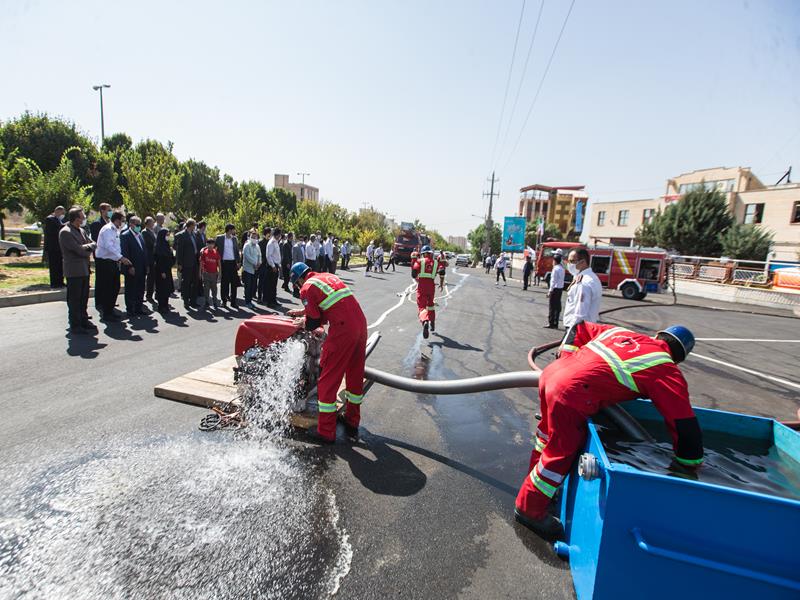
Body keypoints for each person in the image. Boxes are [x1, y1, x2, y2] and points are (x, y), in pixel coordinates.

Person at [515, 323, 703, 540]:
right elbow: (683, 423)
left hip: (552, 375)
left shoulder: (622, 333)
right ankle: (529, 508)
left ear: (658, 335)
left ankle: (535, 485)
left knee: (546, 438)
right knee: (561, 452)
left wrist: (566, 358)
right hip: (571, 393)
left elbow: (579, 327)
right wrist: (689, 463)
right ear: (679, 358)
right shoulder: (666, 369)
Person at [287, 262, 367, 444]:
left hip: (343, 331)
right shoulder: (326, 277)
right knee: (354, 376)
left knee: (327, 380)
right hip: (360, 325)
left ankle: (326, 431)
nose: (298, 287)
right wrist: (304, 312)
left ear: (298, 280)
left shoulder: (306, 288)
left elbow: (314, 323)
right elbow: (330, 305)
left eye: (296, 284)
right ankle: (352, 421)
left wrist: (304, 321)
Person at [58, 207, 97, 334]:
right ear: (76, 218)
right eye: (82, 216)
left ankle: (83, 319)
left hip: (84, 269)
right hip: (74, 271)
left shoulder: (81, 230)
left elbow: (93, 243)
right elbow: (79, 250)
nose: (84, 218)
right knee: (74, 299)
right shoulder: (66, 232)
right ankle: (75, 324)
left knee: (83, 297)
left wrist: (88, 247)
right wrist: (89, 248)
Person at [95, 211, 131, 321]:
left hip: (113, 262)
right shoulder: (107, 229)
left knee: (115, 287)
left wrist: (119, 257)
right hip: (105, 262)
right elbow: (108, 246)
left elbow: (116, 246)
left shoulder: (115, 230)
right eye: (122, 220)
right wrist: (121, 257)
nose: (123, 223)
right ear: (117, 220)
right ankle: (107, 313)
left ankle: (110, 310)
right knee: (108, 288)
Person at [562, 248, 602, 329]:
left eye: (572, 261)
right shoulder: (590, 277)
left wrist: (571, 332)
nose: (569, 264)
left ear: (583, 262)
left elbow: (580, 314)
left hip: (577, 328)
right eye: (568, 261)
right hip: (584, 327)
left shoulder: (584, 283)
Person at [120, 215, 150, 317]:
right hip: (132, 267)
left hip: (142, 267)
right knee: (131, 289)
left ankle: (138, 308)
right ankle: (130, 309)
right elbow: (125, 253)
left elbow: (144, 251)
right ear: (131, 224)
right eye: (137, 225)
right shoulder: (125, 235)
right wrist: (129, 266)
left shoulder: (140, 235)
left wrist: (146, 265)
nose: (138, 227)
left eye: (139, 225)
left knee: (140, 288)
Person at [411, 245, 440, 339]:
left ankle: (425, 321)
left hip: (422, 286)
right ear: (430, 253)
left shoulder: (420, 261)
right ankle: (432, 322)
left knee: (422, 306)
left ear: (423, 253)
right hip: (431, 287)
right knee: (431, 305)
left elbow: (413, 274)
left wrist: (414, 263)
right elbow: (442, 271)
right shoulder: (435, 262)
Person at [174, 218, 200, 309]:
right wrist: (179, 263)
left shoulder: (194, 234)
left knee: (195, 282)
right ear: (191, 225)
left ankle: (193, 301)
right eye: (194, 225)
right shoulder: (182, 235)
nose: (195, 227)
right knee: (186, 282)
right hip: (186, 262)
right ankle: (186, 301)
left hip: (195, 261)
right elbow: (179, 250)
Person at [216, 224, 240, 309]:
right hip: (224, 263)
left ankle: (233, 301)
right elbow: (214, 247)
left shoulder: (234, 239)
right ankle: (224, 301)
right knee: (224, 283)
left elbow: (237, 251)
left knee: (234, 283)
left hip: (233, 263)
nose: (234, 231)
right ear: (229, 230)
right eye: (233, 229)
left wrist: (238, 262)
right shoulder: (220, 238)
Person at [43, 205, 66, 288]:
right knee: (54, 266)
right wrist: (64, 226)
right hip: (53, 247)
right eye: (62, 213)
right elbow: (55, 231)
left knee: (59, 265)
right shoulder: (50, 219)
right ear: (57, 211)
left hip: (59, 247)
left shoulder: (58, 220)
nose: (62, 215)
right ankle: (54, 283)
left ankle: (60, 282)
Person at [153, 228, 174, 313]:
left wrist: (172, 253)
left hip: (167, 269)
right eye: (167, 235)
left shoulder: (167, 245)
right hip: (161, 271)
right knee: (161, 288)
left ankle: (166, 305)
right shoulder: (158, 246)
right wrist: (162, 271)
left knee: (167, 288)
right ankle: (161, 306)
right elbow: (158, 260)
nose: (168, 236)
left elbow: (171, 260)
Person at [199, 237, 221, 310]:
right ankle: (207, 302)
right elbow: (201, 263)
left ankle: (215, 302)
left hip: (214, 274)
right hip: (206, 273)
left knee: (214, 289)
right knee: (206, 289)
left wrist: (220, 272)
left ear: (214, 245)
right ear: (206, 244)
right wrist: (200, 273)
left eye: (212, 244)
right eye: (208, 244)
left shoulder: (216, 252)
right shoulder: (204, 252)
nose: (210, 245)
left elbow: (219, 263)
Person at [545, 253, 566, 328]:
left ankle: (551, 323)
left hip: (555, 289)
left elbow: (553, 281)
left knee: (552, 307)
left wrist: (550, 291)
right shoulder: (562, 268)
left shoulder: (555, 269)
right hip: (560, 289)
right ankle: (556, 322)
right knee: (557, 307)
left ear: (555, 261)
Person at [242, 230, 261, 309]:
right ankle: (247, 302)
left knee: (253, 286)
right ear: (250, 237)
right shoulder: (247, 245)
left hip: (255, 269)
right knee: (248, 286)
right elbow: (247, 256)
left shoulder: (257, 246)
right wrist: (255, 263)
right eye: (252, 237)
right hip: (248, 269)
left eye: (255, 237)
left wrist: (259, 263)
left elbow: (259, 255)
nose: (254, 239)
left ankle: (250, 301)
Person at [265, 227, 282, 308]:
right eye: (279, 234)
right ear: (277, 234)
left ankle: (274, 300)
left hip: (276, 265)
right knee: (270, 285)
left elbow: (277, 255)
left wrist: (279, 265)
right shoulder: (271, 242)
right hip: (272, 266)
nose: (280, 236)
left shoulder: (276, 242)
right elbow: (269, 256)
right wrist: (273, 266)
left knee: (274, 285)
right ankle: (269, 302)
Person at [142, 216, 157, 303]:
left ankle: (151, 294)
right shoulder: (145, 232)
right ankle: (148, 295)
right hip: (149, 257)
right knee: (150, 277)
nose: (153, 223)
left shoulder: (152, 231)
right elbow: (150, 244)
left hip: (154, 257)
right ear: (148, 223)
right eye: (152, 222)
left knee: (153, 277)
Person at [257, 226, 272, 303]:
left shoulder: (270, 242)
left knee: (267, 282)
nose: (270, 235)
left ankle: (265, 297)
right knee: (261, 282)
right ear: (266, 233)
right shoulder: (260, 243)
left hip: (269, 264)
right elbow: (259, 254)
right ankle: (259, 297)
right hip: (262, 264)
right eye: (269, 233)